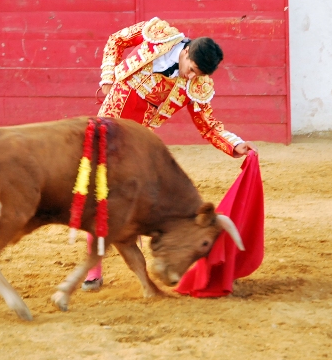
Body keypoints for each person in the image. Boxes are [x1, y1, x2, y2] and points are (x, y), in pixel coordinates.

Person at [81, 17, 258, 291]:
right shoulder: (159, 35)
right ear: (186, 52)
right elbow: (116, 39)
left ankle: (133, 252)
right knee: (98, 193)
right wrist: (107, 77)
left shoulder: (197, 85)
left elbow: (208, 125)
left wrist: (234, 144)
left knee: (132, 196)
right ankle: (93, 270)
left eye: (199, 75)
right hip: (110, 122)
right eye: (192, 69)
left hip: (139, 138)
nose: (192, 77)